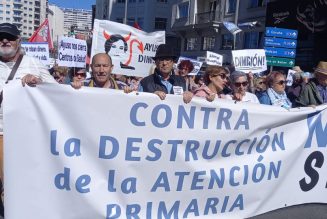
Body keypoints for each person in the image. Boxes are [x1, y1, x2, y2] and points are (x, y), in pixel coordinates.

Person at [0, 23, 56, 216]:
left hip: (18, 135)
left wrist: (38, 83)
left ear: (18, 41)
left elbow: (57, 93)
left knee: (13, 183)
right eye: (1, 37)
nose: (5, 40)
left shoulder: (33, 63)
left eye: (9, 37)